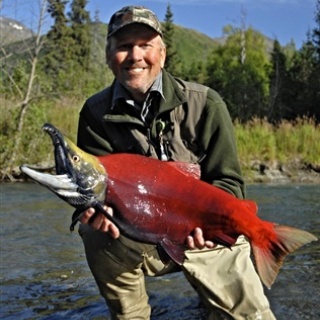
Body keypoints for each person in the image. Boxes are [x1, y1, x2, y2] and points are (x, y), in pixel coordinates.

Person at [76, 5, 276, 320]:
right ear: (108, 54)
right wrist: (91, 214)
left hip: (208, 232)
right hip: (141, 234)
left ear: (163, 53)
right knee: (96, 233)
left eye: (145, 45)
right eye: (124, 46)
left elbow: (231, 184)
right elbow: (90, 184)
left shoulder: (205, 103)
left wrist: (206, 224)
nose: (135, 56)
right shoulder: (94, 114)